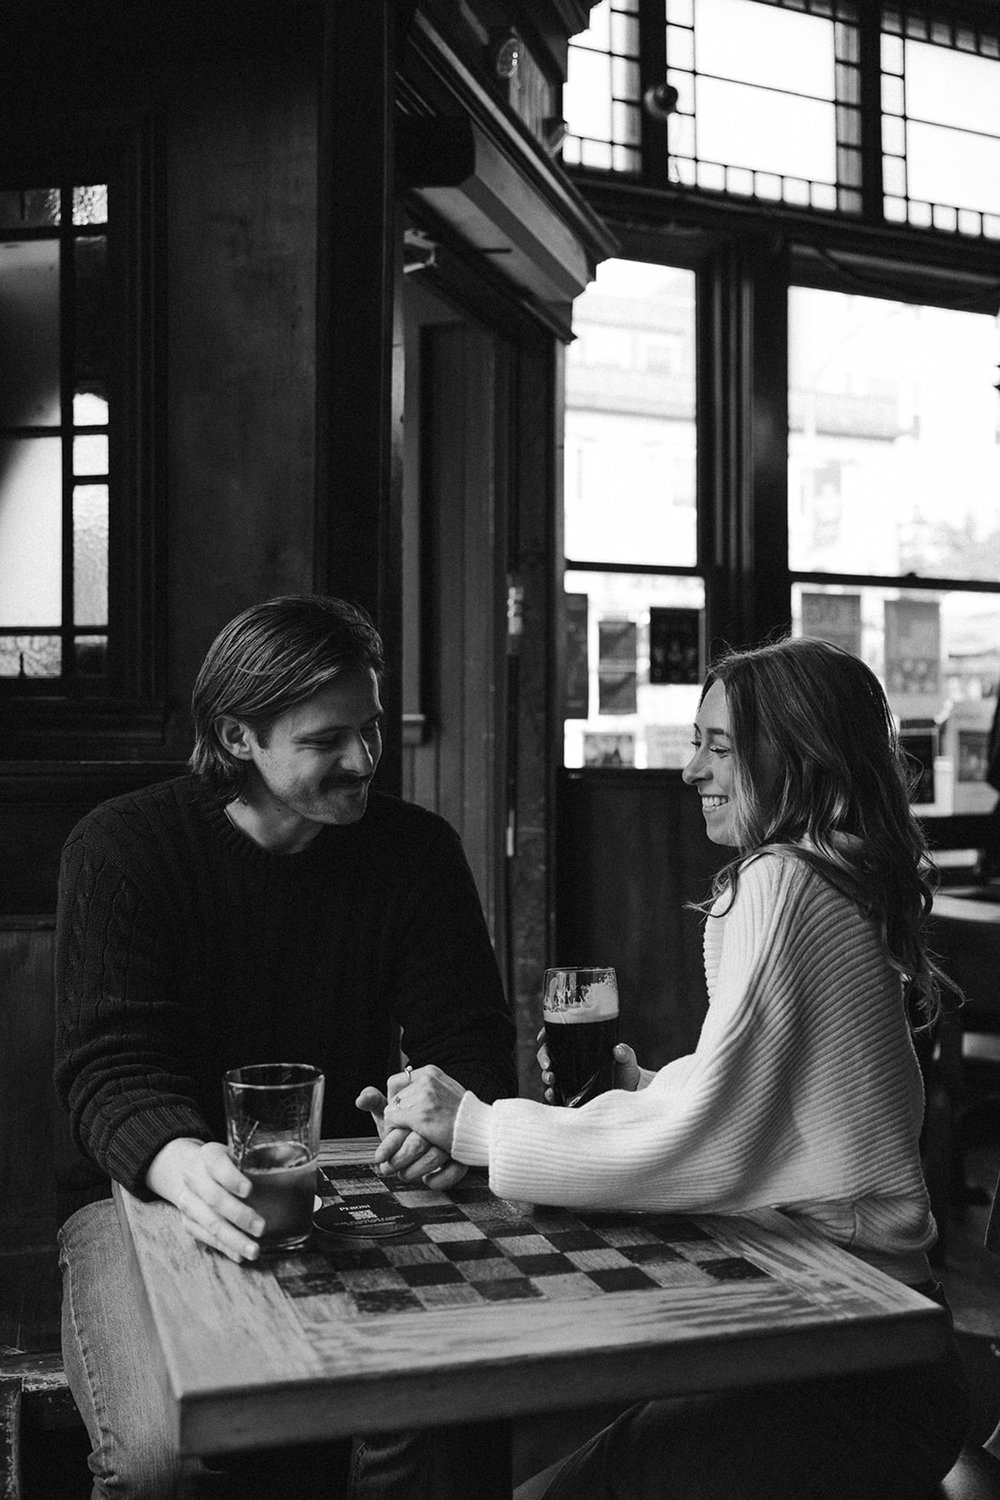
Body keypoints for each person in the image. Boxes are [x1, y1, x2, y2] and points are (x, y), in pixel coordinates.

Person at [367, 635, 971, 1500]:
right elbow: (753, 1101)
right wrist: (640, 1093)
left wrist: (478, 1125)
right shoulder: (831, 879)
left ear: (798, 756)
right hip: (865, 1339)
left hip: (847, 1362)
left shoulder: (782, 882)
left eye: (719, 746)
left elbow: (709, 1140)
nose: (691, 770)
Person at [54, 593, 517, 1500]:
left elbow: (469, 1043)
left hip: (348, 1189)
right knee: (161, 1461)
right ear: (238, 737)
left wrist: (444, 1119)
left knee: (444, 1415)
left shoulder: (416, 853)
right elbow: (109, 1066)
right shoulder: (122, 850)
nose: (365, 759)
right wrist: (179, 1161)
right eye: (325, 740)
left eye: (372, 729)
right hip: (139, 1201)